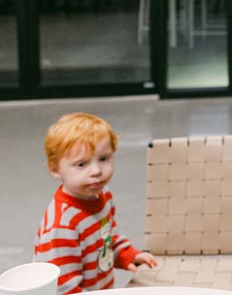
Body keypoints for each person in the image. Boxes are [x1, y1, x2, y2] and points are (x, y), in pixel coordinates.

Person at [34, 112, 157, 294]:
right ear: (55, 169)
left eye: (103, 159)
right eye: (81, 164)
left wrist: (127, 254)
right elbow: (63, 288)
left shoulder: (103, 195)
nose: (96, 171)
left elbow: (107, 237)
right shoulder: (61, 227)